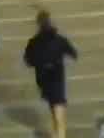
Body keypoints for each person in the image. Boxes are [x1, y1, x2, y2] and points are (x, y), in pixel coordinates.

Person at [23, 10, 78, 138]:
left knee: (53, 109)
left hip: (43, 81)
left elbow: (28, 61)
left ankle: (55, 135)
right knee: (59, 114)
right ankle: (59, 135)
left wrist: (40, 62)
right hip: (57, 79)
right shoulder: (59, 40)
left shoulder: (33, 42)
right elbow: (73, 53)